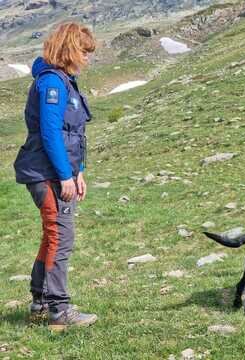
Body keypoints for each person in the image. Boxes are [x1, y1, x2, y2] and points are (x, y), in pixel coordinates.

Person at [14, 22, 97, 330]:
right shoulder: (52, 83)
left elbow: (74, 134)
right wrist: (65, 176)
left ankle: (40, 304)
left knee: (52, 235)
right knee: (60, 237)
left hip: (57, 171)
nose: (88, 58)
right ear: (69, 49)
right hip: (46, 173)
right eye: (84, 51)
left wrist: (80, 172)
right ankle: (58, 310)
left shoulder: (65, 81)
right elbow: (51, 133)